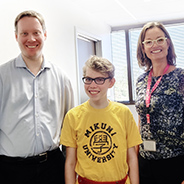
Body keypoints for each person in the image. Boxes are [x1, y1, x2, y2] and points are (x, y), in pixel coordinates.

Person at [0, 10, 74, 184]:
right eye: (24, 33)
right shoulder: (2, 76)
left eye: (36, 33)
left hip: (53, 167)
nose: (31, 39)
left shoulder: (61, 78)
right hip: (11, 170)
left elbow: (70, 126)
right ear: (16, 36)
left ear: (45, 34)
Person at [60, 55, 142, 184]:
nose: (92, 85)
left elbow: (132, 157)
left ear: (111, 82)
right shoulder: (73, 116)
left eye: (99, 79)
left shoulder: (124, 113)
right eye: (88, 79)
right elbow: (70, 161)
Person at [135, 21, 184, 184]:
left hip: (175, 160)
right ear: (143, 48)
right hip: (145, 159)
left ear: (167, 43)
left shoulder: (181, 77)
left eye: (159, 40)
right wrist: (135, 156)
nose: (154, 45)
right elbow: (141, 119)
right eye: (148, 42)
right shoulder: (141, 80)